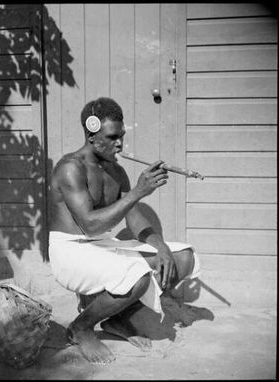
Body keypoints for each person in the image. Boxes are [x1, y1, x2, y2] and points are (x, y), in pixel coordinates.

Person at [48, 97, 200, 364]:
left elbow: (135, 219)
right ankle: (81, 327)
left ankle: (116, 320)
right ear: (91, 135)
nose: (119, 143)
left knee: (182, 258)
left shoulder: (116, 171)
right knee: (138, 277)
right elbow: (90, 224)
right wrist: (139, 192)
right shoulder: (70, 168)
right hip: (69, 250)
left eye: (122, 135)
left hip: (100, 247)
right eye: (112, 136)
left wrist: (160, 246)